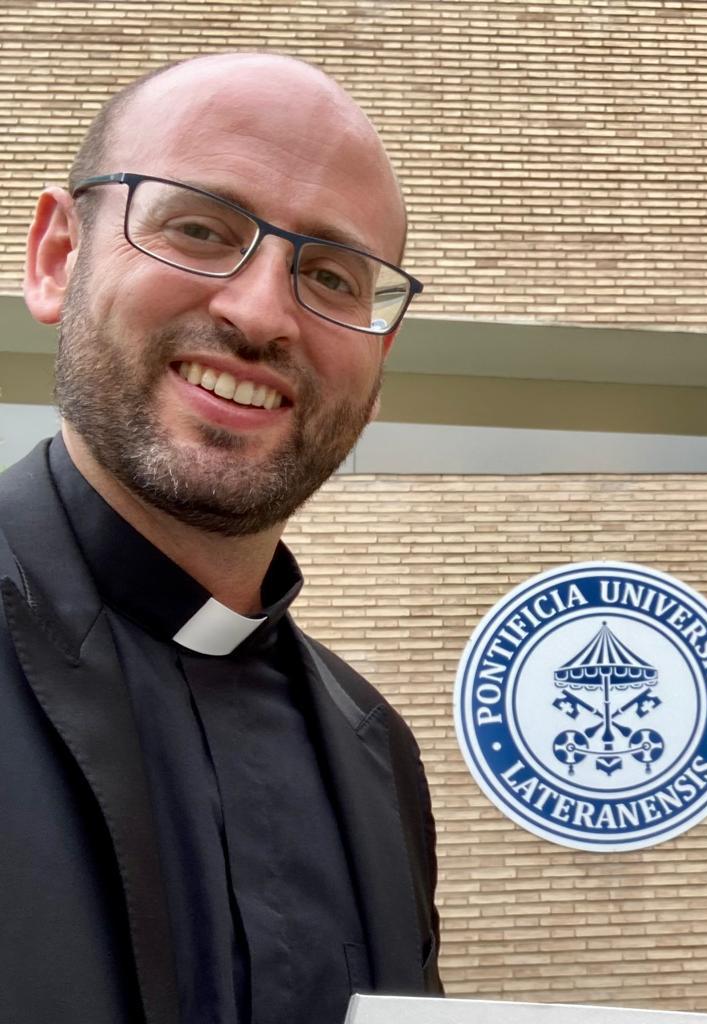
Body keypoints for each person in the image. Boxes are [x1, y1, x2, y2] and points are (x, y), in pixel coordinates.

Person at [0, 52, 440, 1024]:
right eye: (199, 229)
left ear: (380, 349)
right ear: (57, 258)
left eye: (331, 276)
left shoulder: (382, 757)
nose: (259, 314)